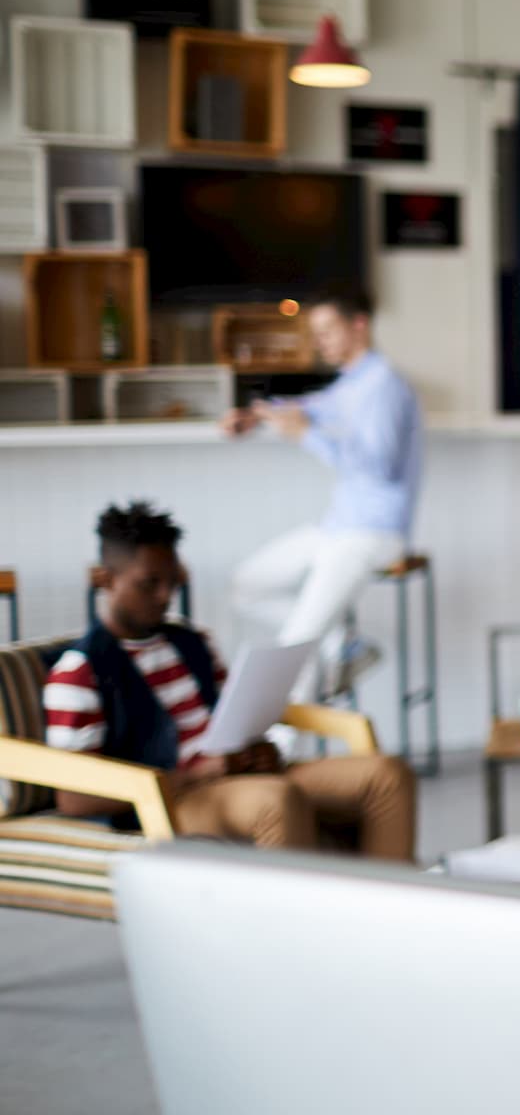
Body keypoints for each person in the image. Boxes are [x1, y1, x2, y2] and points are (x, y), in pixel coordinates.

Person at [43, 502, 416, 859]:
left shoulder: (193, 643)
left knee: (386, 775)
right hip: (174, 799)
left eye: (172, 582)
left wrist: (259, 748)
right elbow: (73, 798)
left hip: (235, 777)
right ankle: (297, 924)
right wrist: (195, 774)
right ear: (105, 580)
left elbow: (230, 717)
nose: (164, 597)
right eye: (148, 584)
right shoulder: (79, 673)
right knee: (275, 801)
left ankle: (386, 914)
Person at [222, 286, 423, 700]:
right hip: (339, 528)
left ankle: (283, 747)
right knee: (247, 586)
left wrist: (309, 436)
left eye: (328, 329)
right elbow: (313, 406)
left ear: (359, 325)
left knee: (297, 642)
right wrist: (256, 415)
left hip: (373, 534)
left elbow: (380, 468)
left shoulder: (383, 386)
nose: (320, 341)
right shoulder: (353, 383)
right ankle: (341, 646)